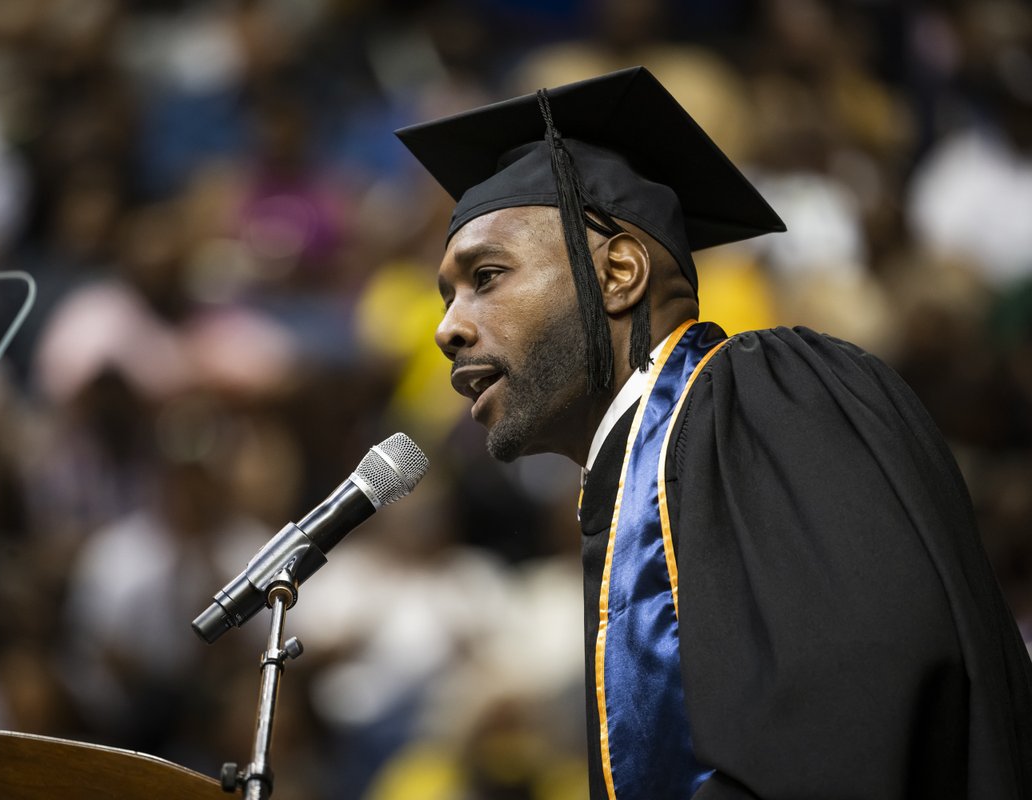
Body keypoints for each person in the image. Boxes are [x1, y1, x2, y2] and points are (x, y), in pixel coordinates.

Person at [396, 67, 1032, 799]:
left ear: (620, 273)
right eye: (446, 295)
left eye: (486, 275)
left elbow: (857, 702)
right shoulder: (626, 482)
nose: (448, 327)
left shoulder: (772, 392)